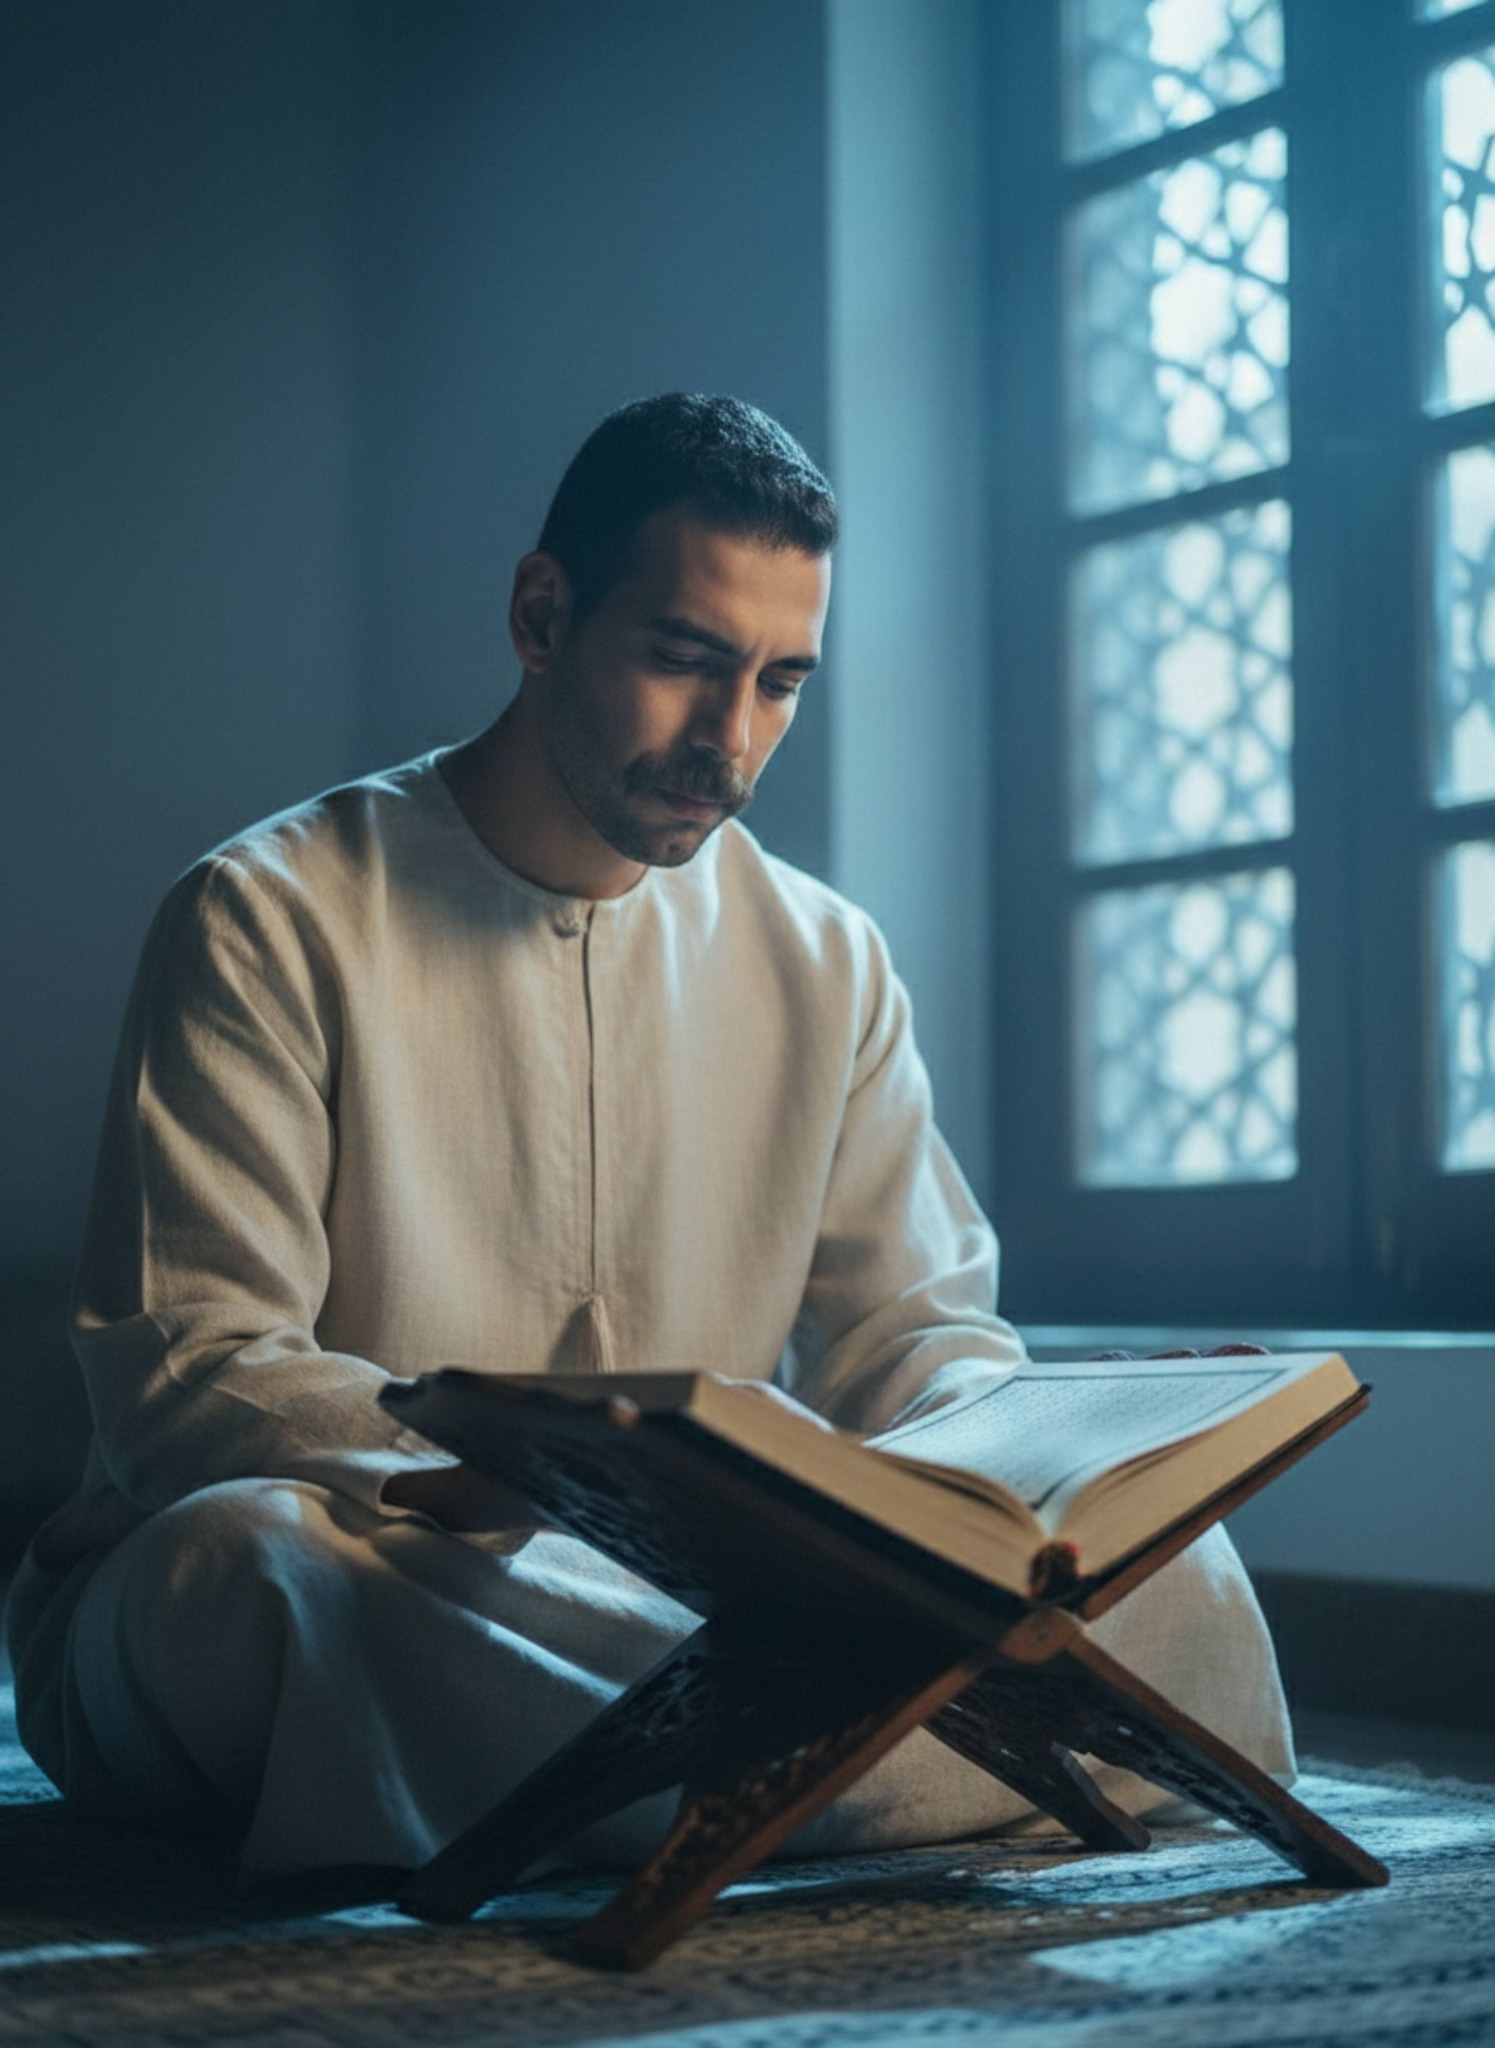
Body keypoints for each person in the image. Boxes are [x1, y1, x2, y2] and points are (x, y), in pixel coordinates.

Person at [5, 395, 1292, 1878]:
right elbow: (194, 1374)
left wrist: (1044, 1468)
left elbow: (918, 1339)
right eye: (685, 659)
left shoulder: (828, 957)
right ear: (542, 614)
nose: (729, 740)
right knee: (262, 1576)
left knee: (1176, 1571)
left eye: (780, 682)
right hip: (415, 1555)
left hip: (727, 1593)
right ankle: (870, 1767)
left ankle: (684, 1776)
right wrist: (555, 1482)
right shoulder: (268, 915)